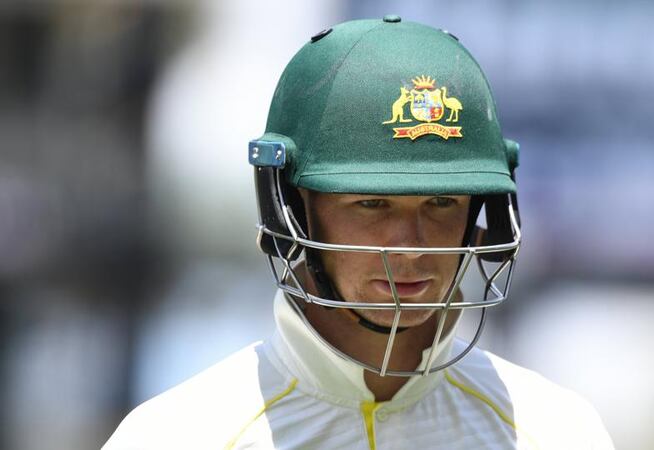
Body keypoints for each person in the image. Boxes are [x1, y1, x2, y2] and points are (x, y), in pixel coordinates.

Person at [104, 16, 614, 449]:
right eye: (371, 204)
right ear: (292, 210)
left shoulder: (553, 431)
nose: (412, 248)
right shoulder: (177, 436)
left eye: (441, 203)